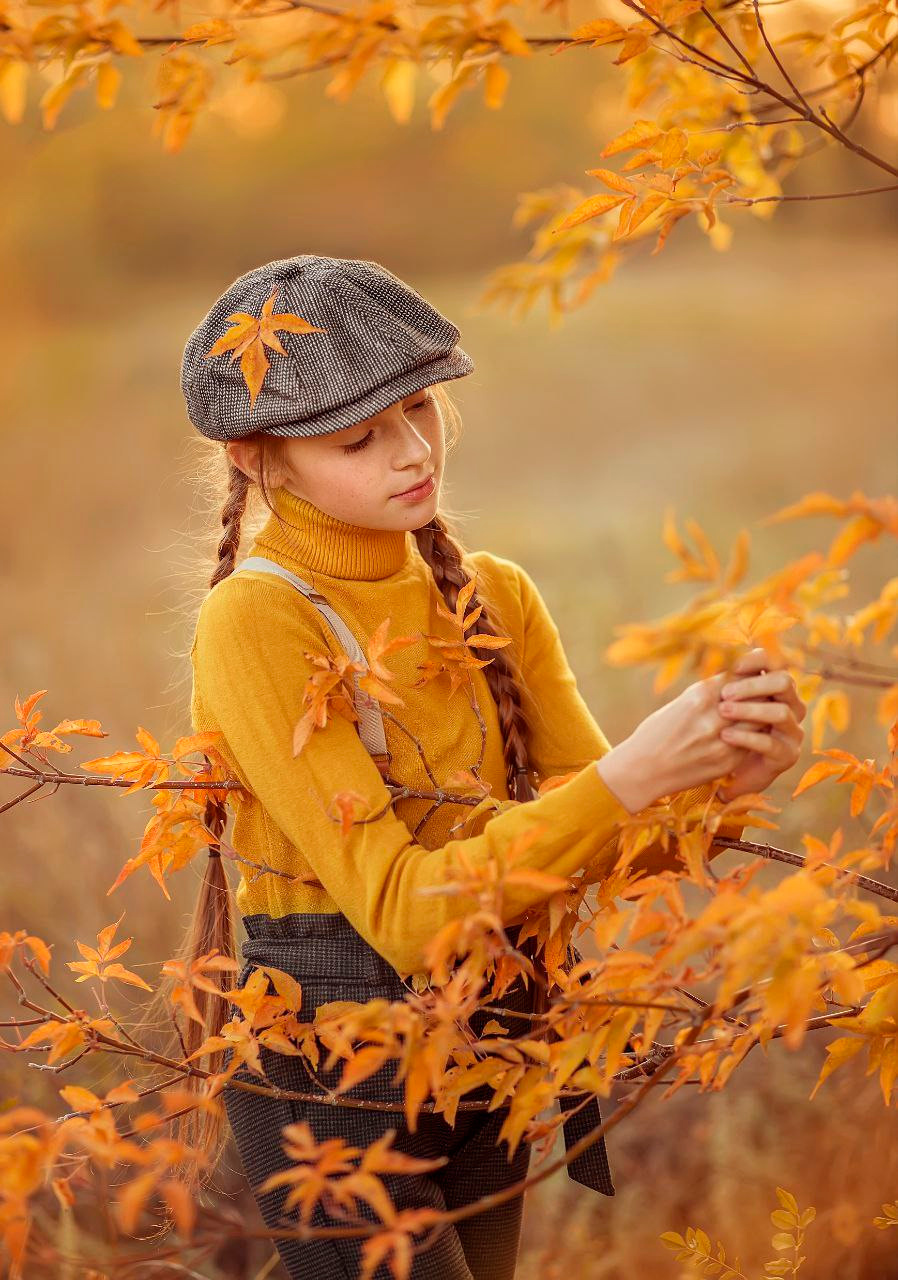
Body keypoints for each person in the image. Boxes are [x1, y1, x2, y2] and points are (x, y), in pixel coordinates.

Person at [176, 253, 806, 1280]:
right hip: (332, 1062)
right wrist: (635, 773)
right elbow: (403, 908)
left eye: (420, 410)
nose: (412, 452)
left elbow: (593, 846)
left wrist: (724, 786)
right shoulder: (259, 615)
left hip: (493, 1032)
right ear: (259, 461)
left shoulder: (494, 595)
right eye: (359, 438)